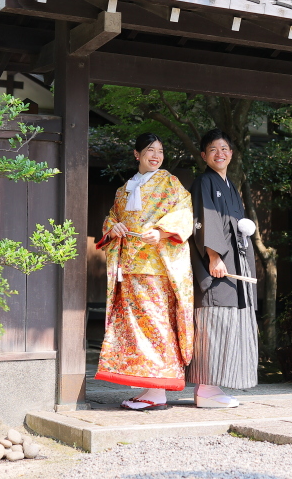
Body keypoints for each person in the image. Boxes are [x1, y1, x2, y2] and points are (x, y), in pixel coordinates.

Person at [95, 133, 194, 411]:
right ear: (137, 154)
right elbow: (112, 218)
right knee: (134, 329)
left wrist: (161, 232)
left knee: (155, 324)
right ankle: (149, 388)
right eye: (150, 150)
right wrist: (113, 228)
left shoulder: (170, 183)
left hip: (156, 268)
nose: (156, 156)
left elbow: (184, 212)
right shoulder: (124, 190)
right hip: (129, 268)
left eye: (160, 151)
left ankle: (158, 391)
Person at [188, 128, 259, 408]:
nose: (220, 154)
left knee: (229, 322)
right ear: (204, 155)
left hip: (234, 265)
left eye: (224, 149)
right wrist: (213, 256)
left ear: (231, 153)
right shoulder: (204, 182)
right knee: (214, 321)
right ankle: (205, 389)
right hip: (216, 266)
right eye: (213, 149)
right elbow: (205, 220)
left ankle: (213, 387)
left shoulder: (231, 186)